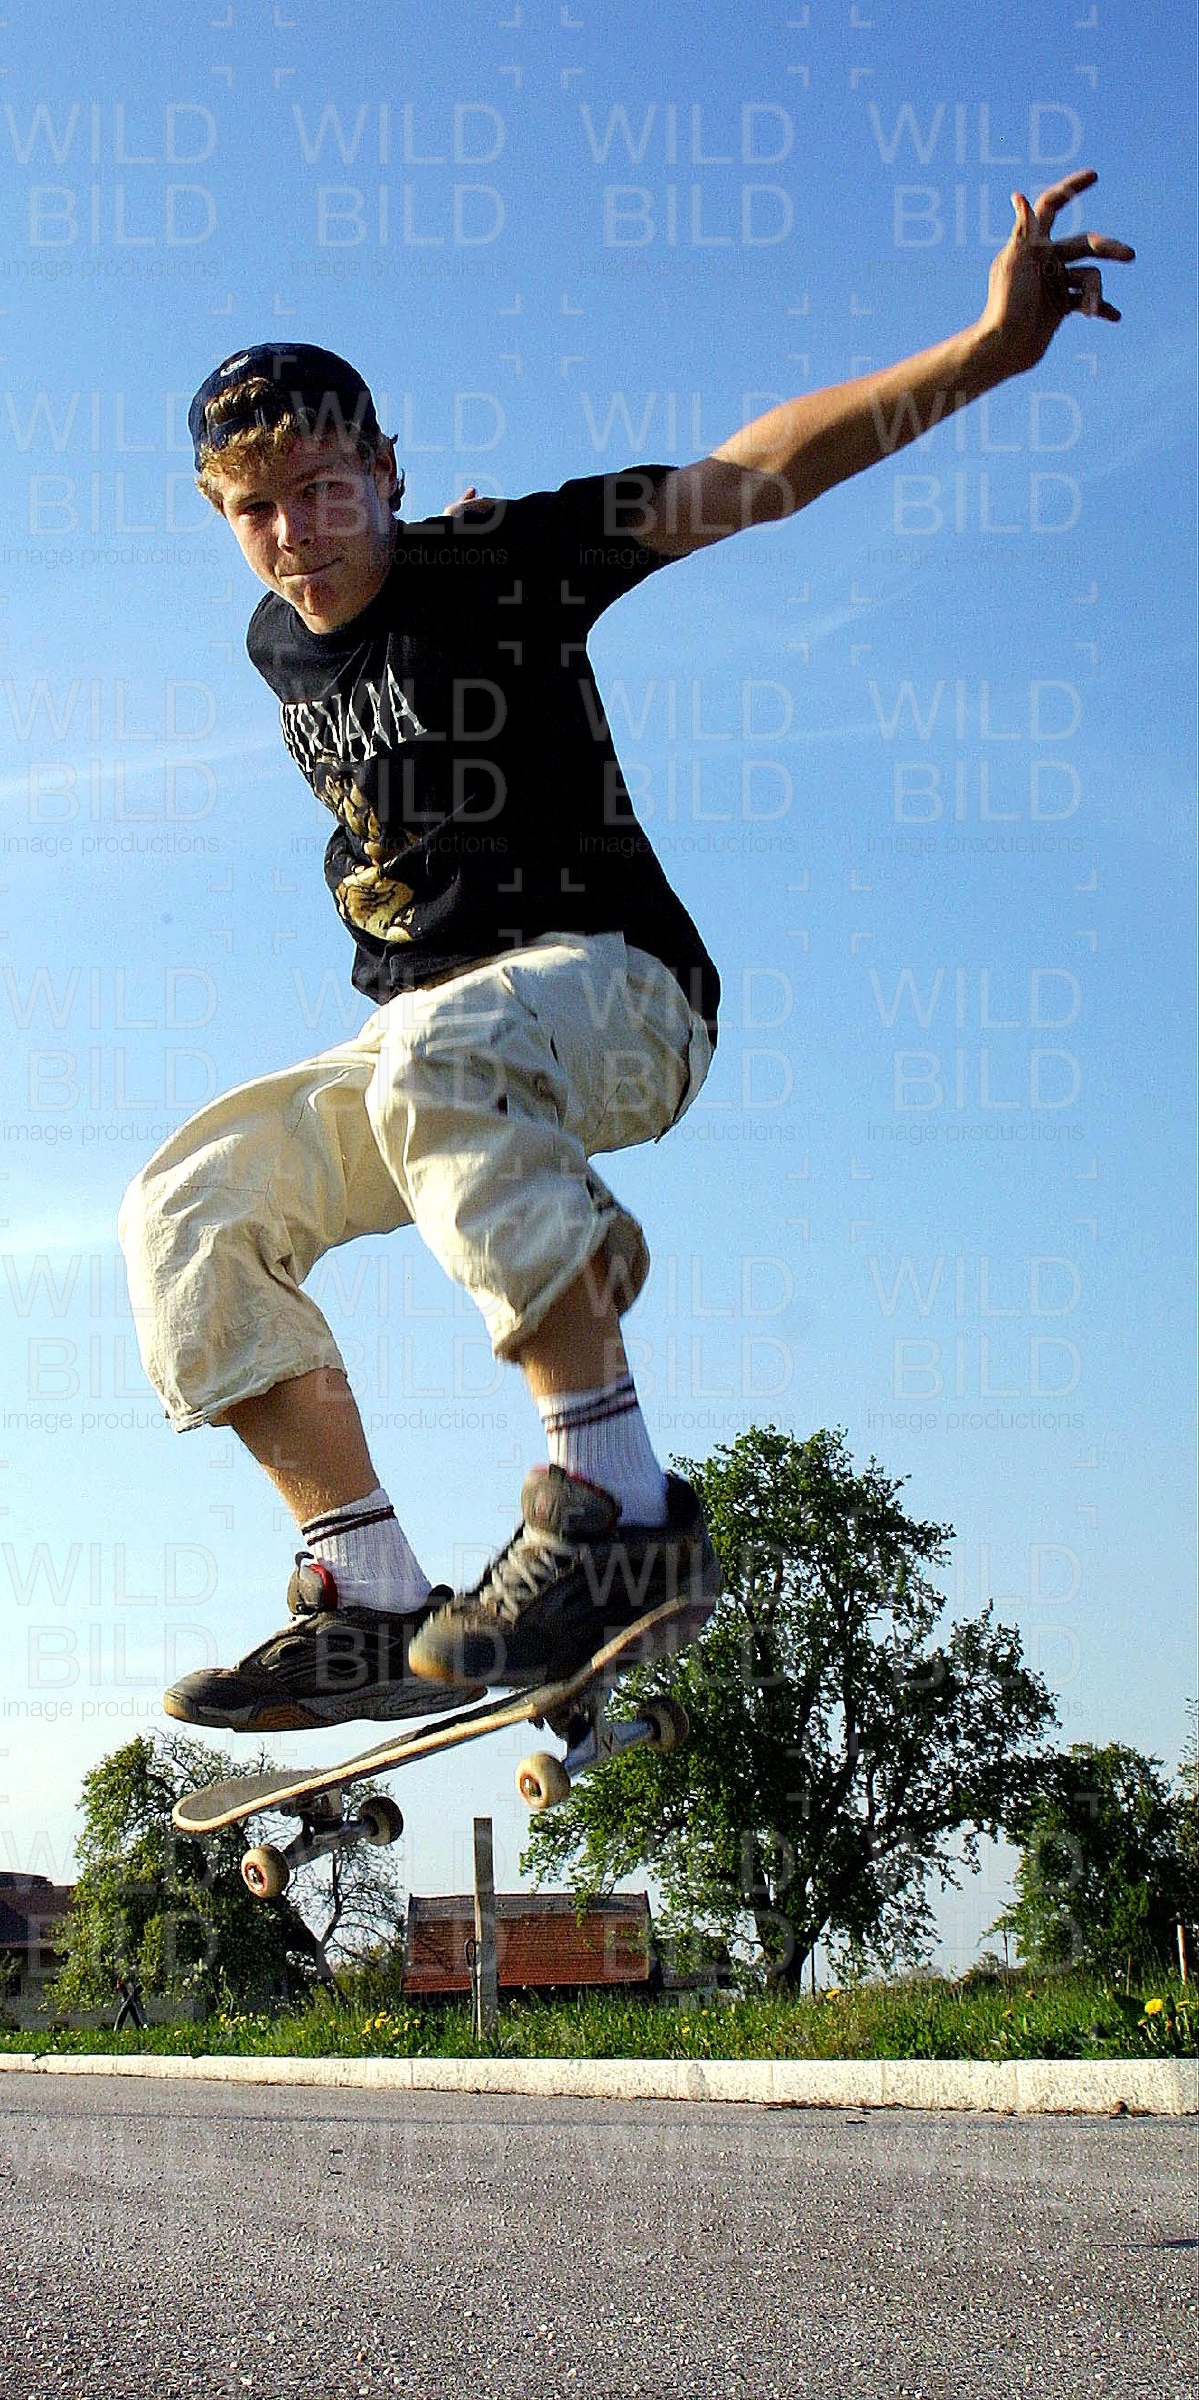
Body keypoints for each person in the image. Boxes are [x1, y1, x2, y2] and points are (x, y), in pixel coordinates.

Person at [120, 171, 1131, 1734]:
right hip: (420, 1050)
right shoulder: (274, 641)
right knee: (189, 1201)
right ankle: (367, 1591)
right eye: (256, 512)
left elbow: (752, 474)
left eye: (323, 490)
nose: (296, 536)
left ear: (384, 470)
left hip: (619, 992)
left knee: (446, 1055)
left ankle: (618, 1510)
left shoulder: (506, 558)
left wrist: (985, 350)